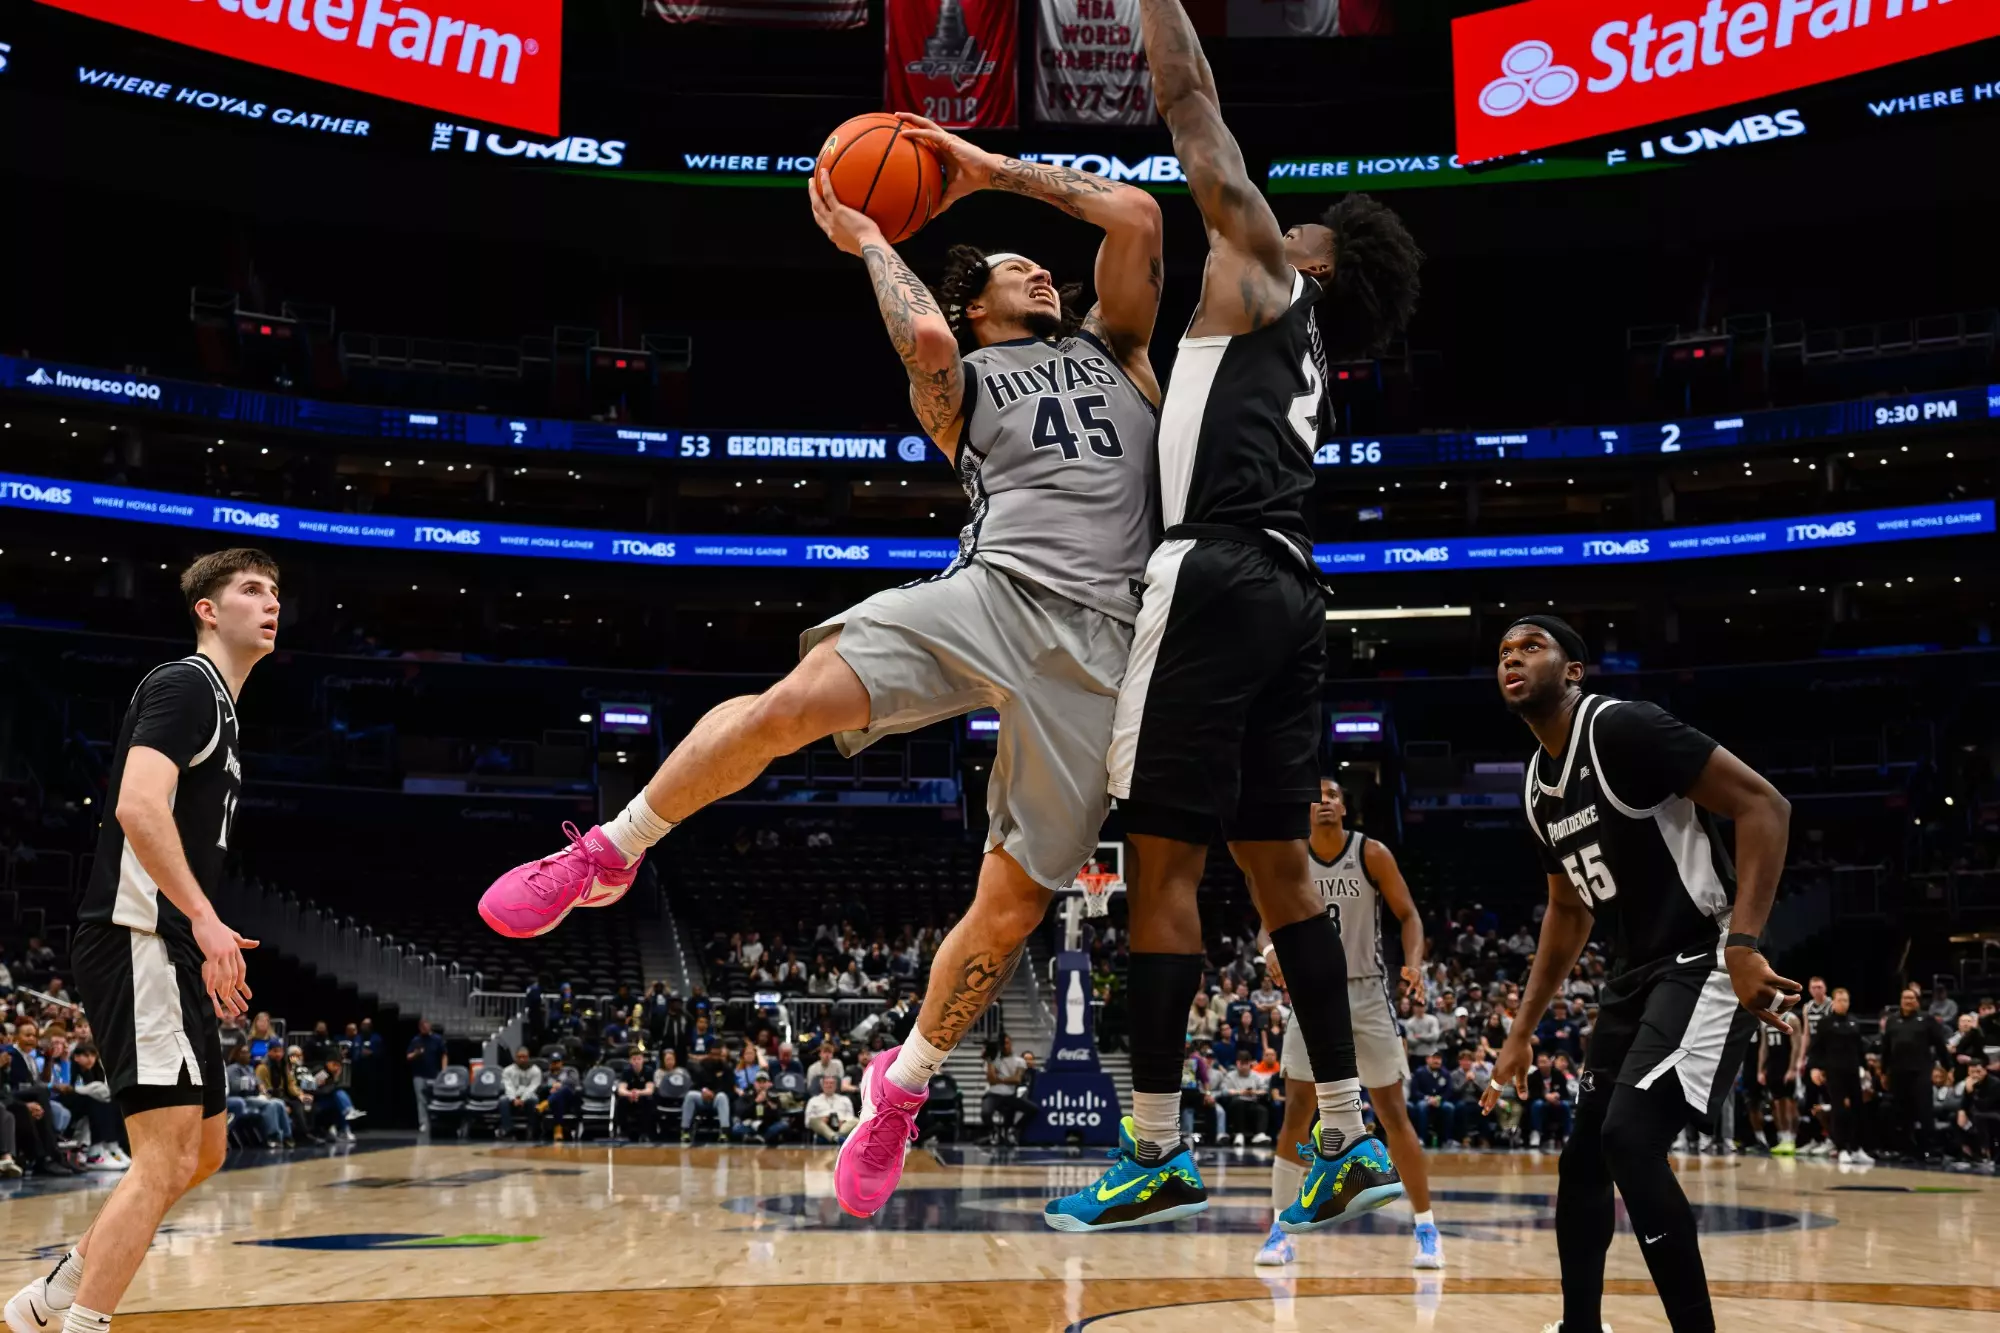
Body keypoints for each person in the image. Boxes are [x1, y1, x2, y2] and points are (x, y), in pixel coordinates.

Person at [479, 116, 1165, 1229]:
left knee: (1008, 913)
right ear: (972, 302)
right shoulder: (954, 379)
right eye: (1009, 267)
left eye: (1038, 262)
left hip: (1104, 651)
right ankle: (610, 852)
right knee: (791, 702)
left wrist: (986, 175)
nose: (1040, 268)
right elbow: (928, 349)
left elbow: (1135, 213)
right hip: (988, 594)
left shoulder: (1119, 351)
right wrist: (866, 236)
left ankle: (896, 1091)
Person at [1047, 0, 1421, 1239]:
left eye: (1292, 218)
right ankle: (1345, 1135)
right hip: (1291, 595)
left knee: (1159, 857)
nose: (1269, 211)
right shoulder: (1289, 349)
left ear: (1308, 259)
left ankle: (1152, 1148)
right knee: (1277, 871)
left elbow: (1189, 105)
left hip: (1208, 575)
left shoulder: (1264, 272)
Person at [1479, 615, 1798, 1333]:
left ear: (1574, 670)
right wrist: (1519, 1032)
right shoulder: (1537, 787)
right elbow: (1567, 911)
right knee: (1583, 1157)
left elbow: (1765, 805)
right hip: (1635, 972)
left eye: (1532, 646)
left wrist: (1744, 943)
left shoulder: (1622, 729)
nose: (1512, 658)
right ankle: (1580, 1326)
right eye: (1503, 651)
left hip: (1704, 952)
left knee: (1629, 1137)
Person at [7, 551, 275, 1333]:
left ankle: (48, 1296)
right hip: (136, 935)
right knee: (161, 1158)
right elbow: (136, 806)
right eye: (251, 590)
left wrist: (198, 934)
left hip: (169, 944)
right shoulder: (185, 683)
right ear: (206, 609)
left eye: (275, 592)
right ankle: (82, 1323)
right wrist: (202, 916)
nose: (271, 604)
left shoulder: (225, 709)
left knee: (205, 1152)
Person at [1257, 779, 1439, 1269]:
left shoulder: (1371, 853)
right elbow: (1265, 925)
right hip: (1313, 991)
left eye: (1334, 794)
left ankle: (1426, 1228)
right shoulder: (1293, 857)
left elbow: (1409, 915)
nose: (1325, 803)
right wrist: (1272, 952)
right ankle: (1280, 1229)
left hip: (1365, 989)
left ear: (1344, 805)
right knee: (1297, 1110)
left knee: (1392, 1113)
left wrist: (1415, 963)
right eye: (1315, 796)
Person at [1881, 988, 1951, 1160]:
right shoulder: (1892, 1021)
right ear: (1901, 1000)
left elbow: (1940, 1045)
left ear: (1917, 1001)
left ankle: (1932, 1151)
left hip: (1920, 1072)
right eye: (1905, 998)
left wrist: (1948, 1067)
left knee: (1925, 1112)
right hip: (1898, 1073)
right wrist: (1884, 1072)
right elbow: (1886, 1049)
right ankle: (1908, 1150)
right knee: (1903, 1113)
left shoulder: (1927, 1019)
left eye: (1912, 998)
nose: (1908, 1001)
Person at [981, 1036, 1030, 1146]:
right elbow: (991, 1080)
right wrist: (989, 1060)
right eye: (1003, 1044)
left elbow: (1017, 1080)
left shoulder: (1020, 1061)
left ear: (1011, 1044)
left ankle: (1013, 1129)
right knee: (986, 1113)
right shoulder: (994, 1060)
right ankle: (993, 1131)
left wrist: (1000, 1079)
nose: (1005, 1046)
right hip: (993, 1094)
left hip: (1009, 1095)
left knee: (1033, 1109)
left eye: (1007, 1043)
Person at [406, 1018, 447, 1134]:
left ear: (430, 1026)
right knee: (421, 1100)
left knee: (435, 1098)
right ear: (420, 1028)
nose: (424, 1028)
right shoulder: (416, 1040)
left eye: (426, 1026)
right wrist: (416, 1054)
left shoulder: (437, 1039)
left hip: (434, 1074)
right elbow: (408, 1056)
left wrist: (444, 1070)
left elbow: (444, 1054)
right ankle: (423, 1123)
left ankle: (436, 1122)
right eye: (422, 1027)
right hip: (419, 1075)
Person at [497, 1048, 543, 1140]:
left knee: (534, 1100)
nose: (522, 1059)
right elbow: (508, 1086)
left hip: (529, 1095)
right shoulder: (508, 1070)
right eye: (519, 1057)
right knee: (502, 1100)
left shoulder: (536, 1070)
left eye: (524, 1057)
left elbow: (533, 1087)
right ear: (515, 1058)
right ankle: (508, 1130)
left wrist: (523, 1099)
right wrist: (513, 1099)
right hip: (512, 1095)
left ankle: (532, 1129)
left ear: (528, 1057)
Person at [805, 1075, 858, 1145]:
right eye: (826, 1083)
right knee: (812, 1120)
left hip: (842, 1127)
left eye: (832, 1083)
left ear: (836, 1086)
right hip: (823, 1126)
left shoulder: (845, 1099)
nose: (829, 1085)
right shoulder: (813, 1100)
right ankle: (836, 1138)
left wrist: (843, 1121)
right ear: (822, 1086)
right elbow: (807, 1122)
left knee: (857, 1120)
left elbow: (850, 1116)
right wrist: (821, 1119)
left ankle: (836, 1137)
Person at [613, 1051, 655, 1141]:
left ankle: (645, 1133)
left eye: (639, 1059)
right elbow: (621, 1089)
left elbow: (650, 1090)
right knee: (621, 1100)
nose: (636, 1061)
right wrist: (630, 1094)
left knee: (649, 1100)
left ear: (643, 1060)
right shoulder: (626, 1071)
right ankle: (623, 1132)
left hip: (642, 1096)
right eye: (634, 1059)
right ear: (630, 1061)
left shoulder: (648, 1071)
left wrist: (638, 1093)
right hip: (630, 1098)